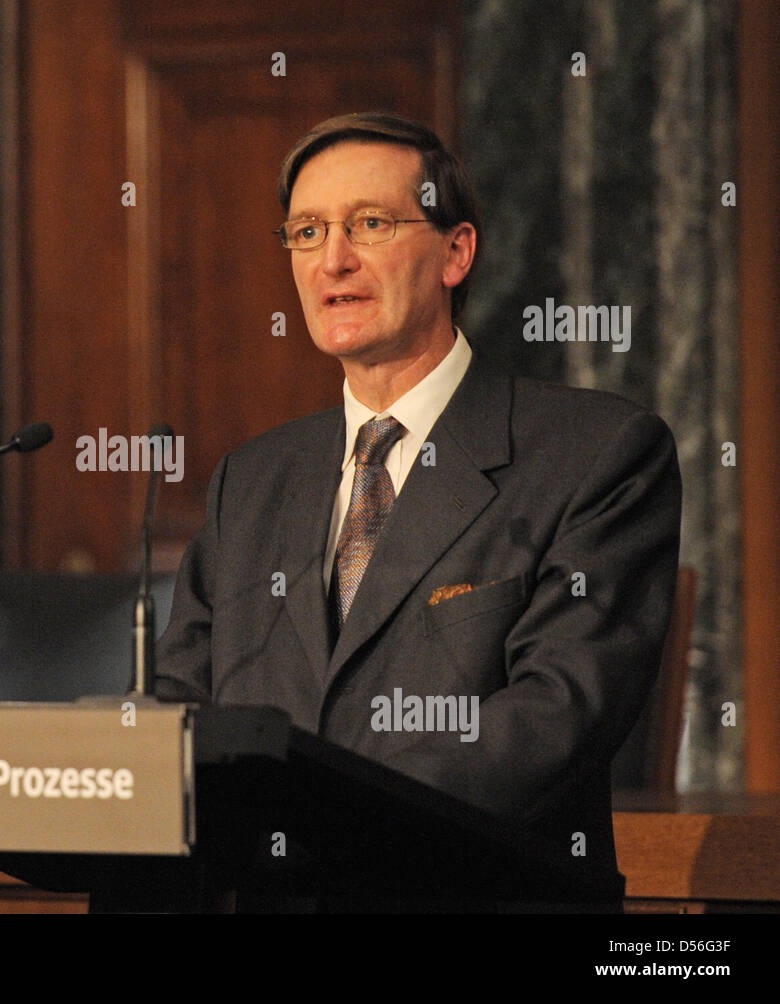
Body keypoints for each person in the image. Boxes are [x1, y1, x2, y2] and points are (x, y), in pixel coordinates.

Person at [153, 112, 682, 876]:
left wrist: (311, 816)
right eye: (305, 232)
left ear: (456, 252)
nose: (332, 260)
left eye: (368, 223)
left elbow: (555, 715)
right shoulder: (253, 478)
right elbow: (177, 703)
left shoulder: (596, 455)